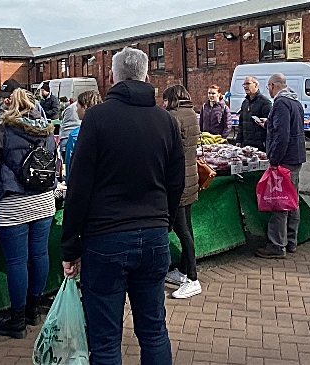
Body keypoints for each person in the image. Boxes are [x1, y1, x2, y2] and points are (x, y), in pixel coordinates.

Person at [61, 47, 184, 365]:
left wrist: (69, 247)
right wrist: (164, 221)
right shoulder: (166, 121)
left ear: (112, 76)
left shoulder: (97, 119)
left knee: (104, 340)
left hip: (106, 239)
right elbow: (176, 182)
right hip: (153, 236)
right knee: (154, 331)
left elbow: (79, 187)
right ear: (146, 76)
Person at [0, 87, 57, 339]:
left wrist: (3, 174)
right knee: (40, 254)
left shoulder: (3, 130)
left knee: (16, 262)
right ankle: (34, 311)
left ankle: (17, 321)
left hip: (13, 204)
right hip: (44, 200)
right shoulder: (47, 132)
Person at [255, 74, 306, 259]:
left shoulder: (281, 103)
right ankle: (291, 241)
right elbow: (292, 128)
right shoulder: (295, 102)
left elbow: (282, 135)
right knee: (292, 200)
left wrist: (274, 160)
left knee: (280, 201)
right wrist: (269, 124)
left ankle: (277, 245)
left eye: (268, 86)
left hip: (284, 159)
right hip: (296, 157)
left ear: (272, 85)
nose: (268, 90)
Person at [162, 85, 202, 299]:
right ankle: (185, 270)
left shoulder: (173, 117)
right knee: (187, 227)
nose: (163, 103)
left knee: (181, 230)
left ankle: (193, 279)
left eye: (165, 99)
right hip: (190, 176)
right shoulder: (191, 114)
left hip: (178, 180)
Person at [61, 89, 102, 164]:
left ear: (85, 107)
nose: (76, 110)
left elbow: (70, 165)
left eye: (77, 107)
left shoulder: (75, 135)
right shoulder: (109, 130)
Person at [235, 76, 272, 151]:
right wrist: (239, 140)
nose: (245, 86)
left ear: (256, 85)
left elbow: (270, 125)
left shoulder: (265, 102)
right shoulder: (245, 102)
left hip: (260, 146)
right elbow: (241, 123)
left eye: (248, 84)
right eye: (244, 84)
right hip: (246, 145)